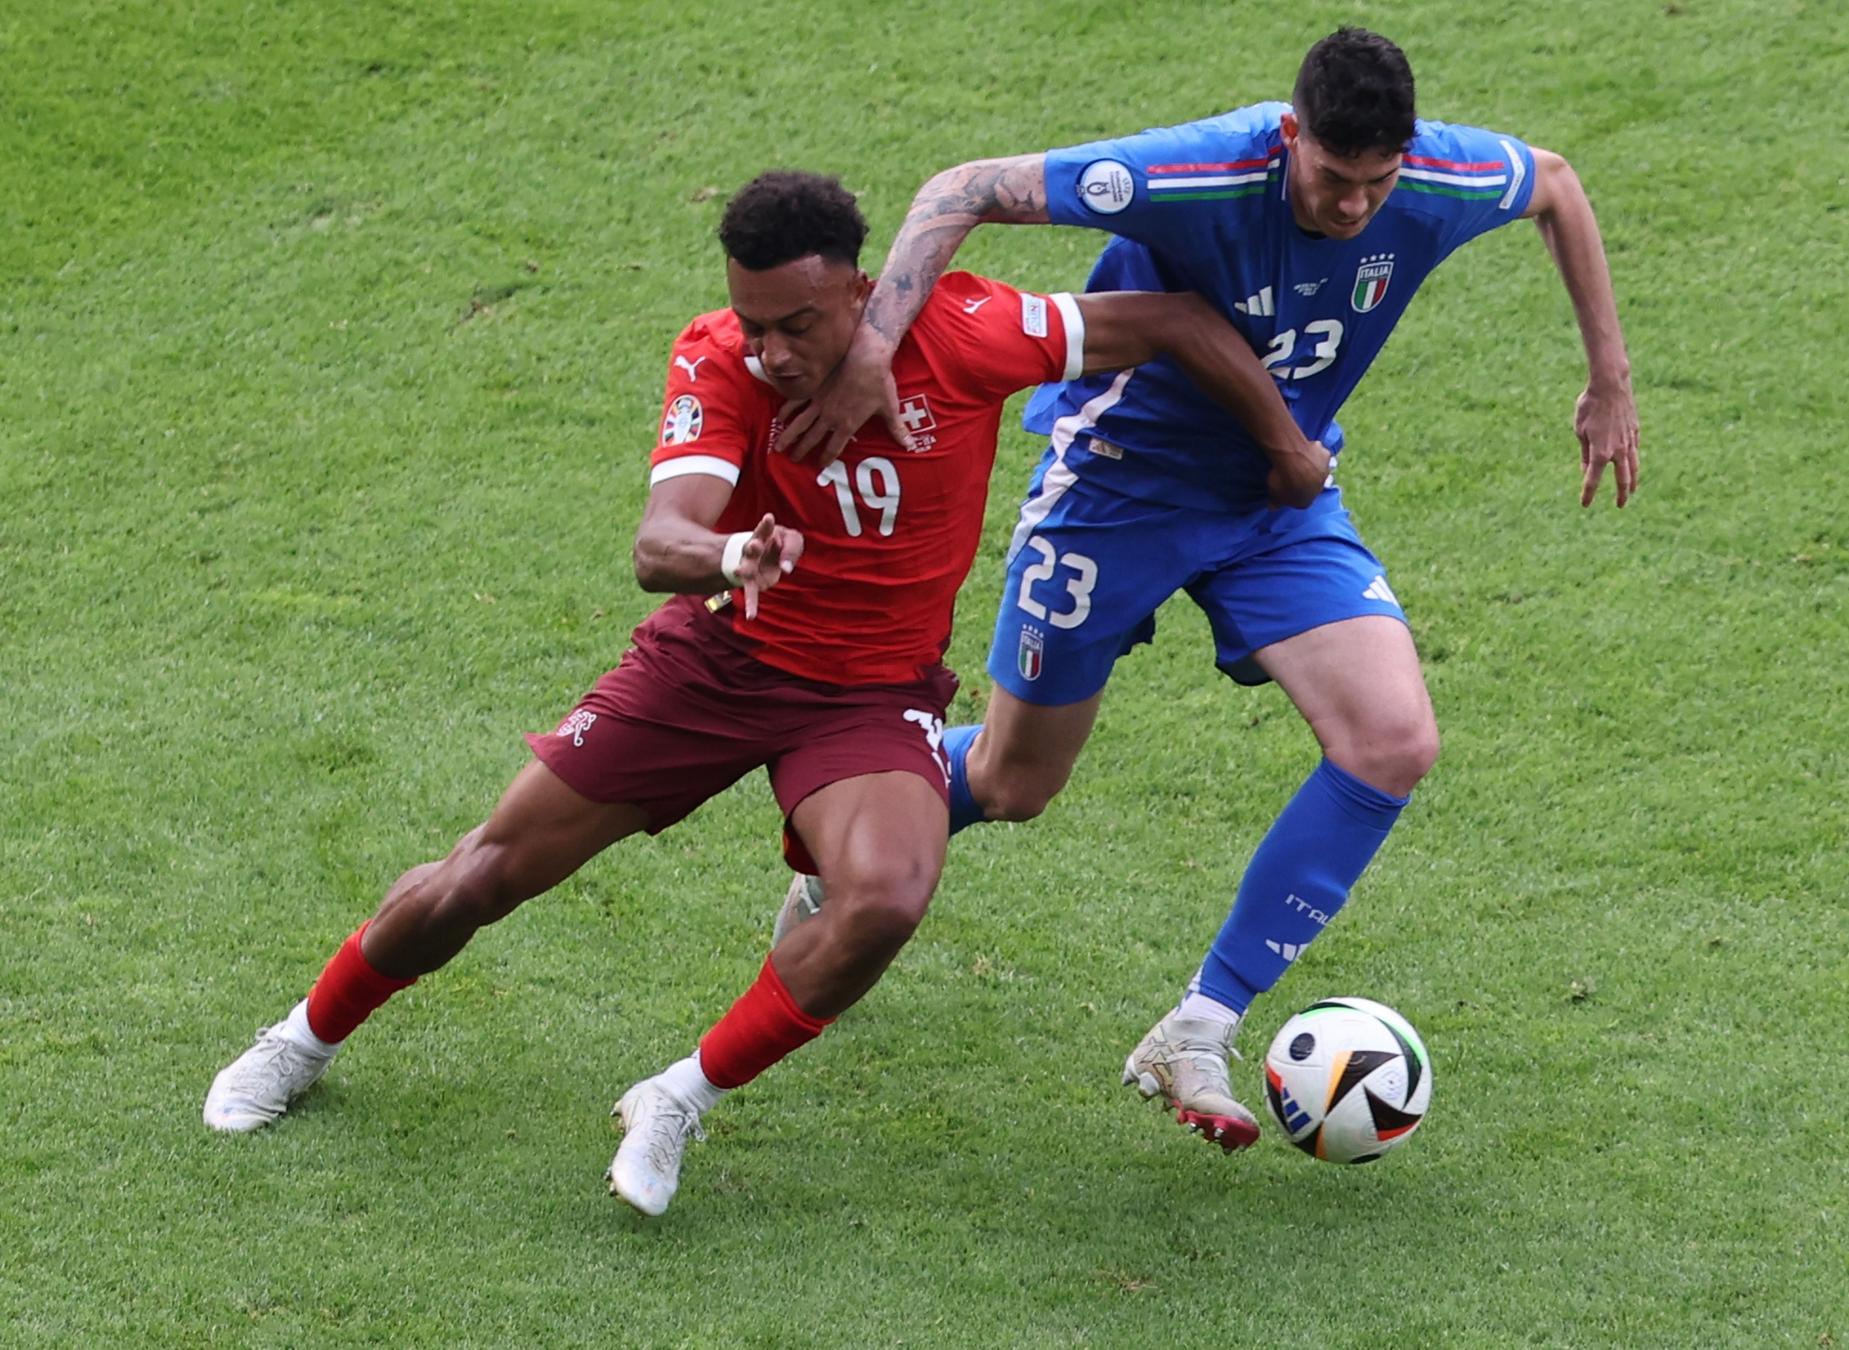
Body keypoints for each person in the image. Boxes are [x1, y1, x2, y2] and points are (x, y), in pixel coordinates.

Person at [201, 170, 1326, 1213]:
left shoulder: (970, 332)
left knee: (884, 898)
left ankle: (676, 1097)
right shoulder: (718, 359)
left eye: (798, 325)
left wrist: (1283, 446)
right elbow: (660, 539)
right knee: (484, 875)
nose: (773, 350)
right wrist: (731, 556)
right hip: (716, 663)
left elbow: (1175, 321)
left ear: (863, 291)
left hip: (869, 694)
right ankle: (302, 1037)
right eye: (754, 322)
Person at [770, 28, 1641, 1151]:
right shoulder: (1191, 173)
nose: (1354, 209)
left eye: (1378, 183)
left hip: (1279, 498)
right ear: (1292, 139)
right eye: (1332, 180)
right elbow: (964, 189)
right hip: (1115, 492)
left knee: (1390, 740)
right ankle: (852, 820)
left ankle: (1197, 1023)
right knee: (1015, 779)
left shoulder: (1435, 180)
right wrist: (875, 345)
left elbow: (1557, 184)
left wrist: (1606, 378)